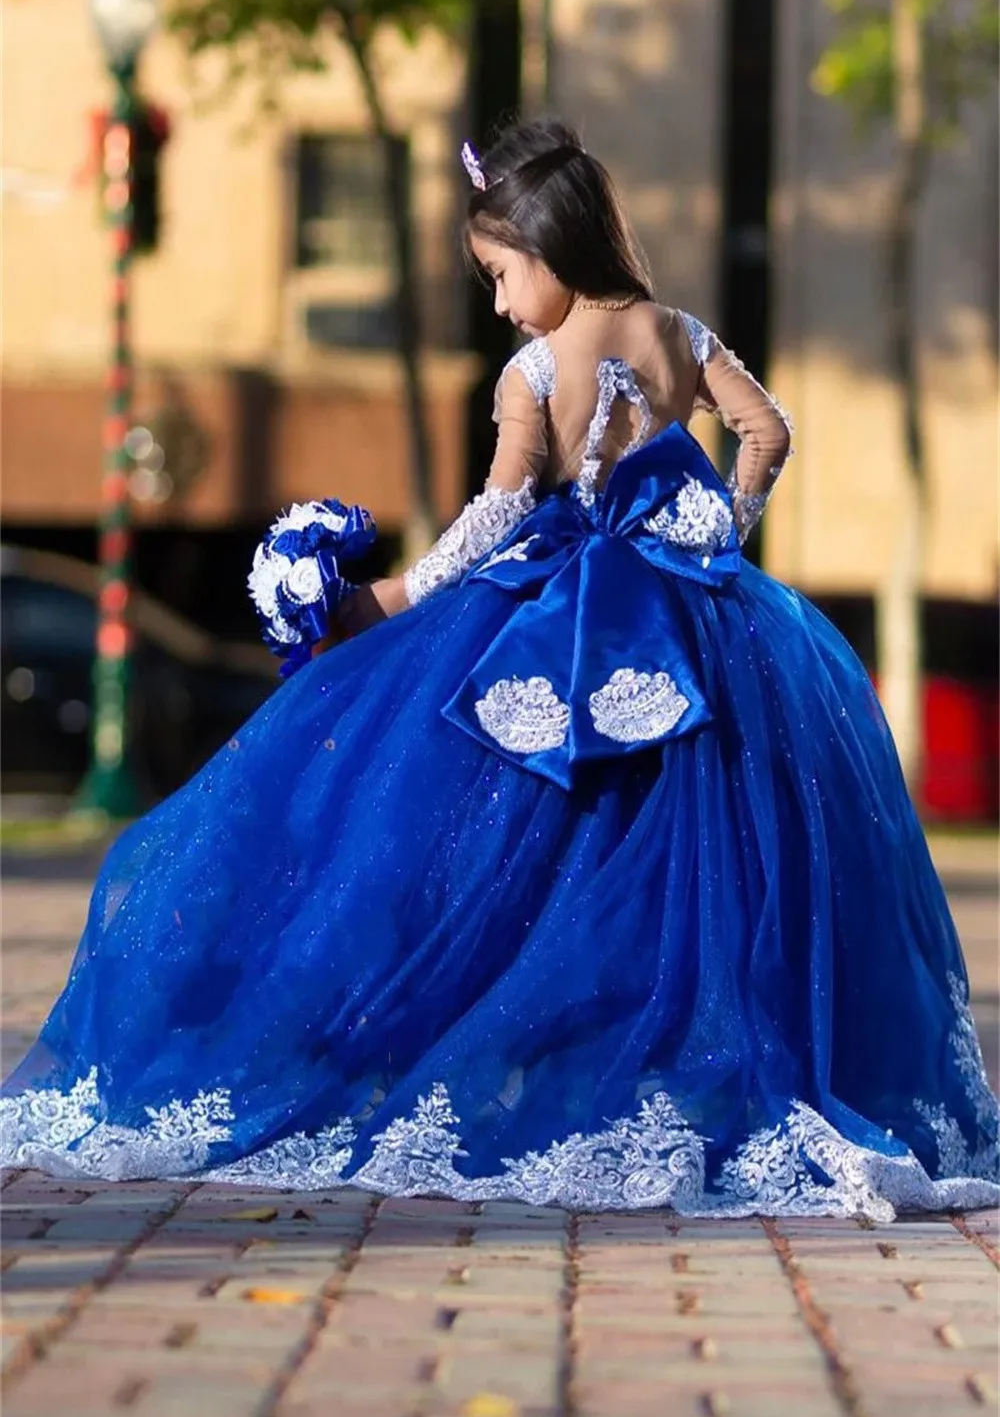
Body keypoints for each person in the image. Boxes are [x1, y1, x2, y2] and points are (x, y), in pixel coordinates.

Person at [2, 120, 996, 1222]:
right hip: (703, 616)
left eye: (499, 274)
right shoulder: (679, 331)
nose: (498, 303)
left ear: (546, 245)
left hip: (566, 620)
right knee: (713, 862)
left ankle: (539, 1049)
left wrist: (387, 601)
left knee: (521, 843)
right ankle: (697, 1063)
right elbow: (768, 430)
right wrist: (712, 533)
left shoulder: (534, 369)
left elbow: (499, 514)